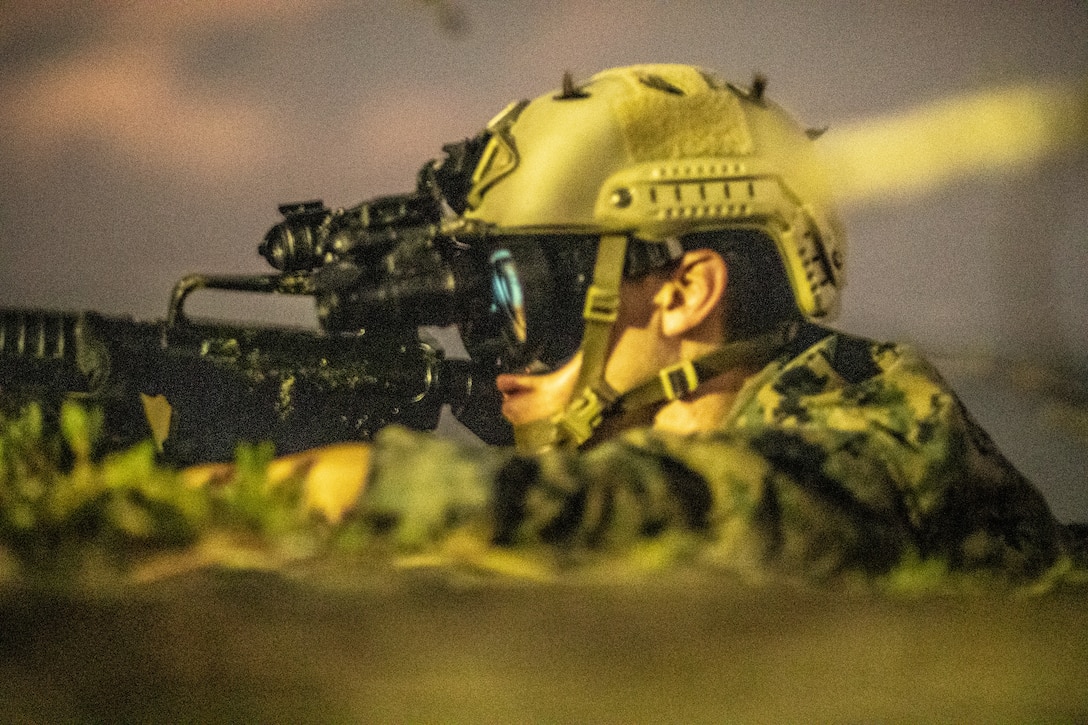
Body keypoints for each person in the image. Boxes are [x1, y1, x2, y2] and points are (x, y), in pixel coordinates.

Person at [187, 64, 1071, 582]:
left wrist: (361, 485)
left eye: (520, 292)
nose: (492, 344)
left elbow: (719, 506)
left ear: (686, 293)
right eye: (477, 304)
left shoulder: (885, 440)